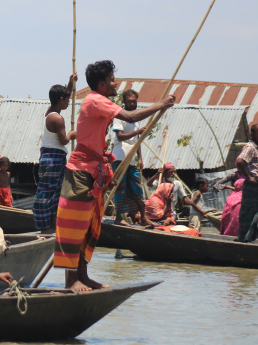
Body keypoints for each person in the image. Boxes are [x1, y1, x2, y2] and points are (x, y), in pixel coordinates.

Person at [55, 60, 174, 291]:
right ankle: (71, 281)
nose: (115, 82)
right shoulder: (96, 100)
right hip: (81, 171)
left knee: (90, 226)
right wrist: (162, 104)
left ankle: (82, 275)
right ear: (101, 84)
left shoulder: (100, 100)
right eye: (111, 79)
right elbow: (130, 117)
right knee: (75, 225)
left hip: (94, 170)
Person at [32, 74, 78, 233]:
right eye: (67, 99)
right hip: (53, 158)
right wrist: (73, 134)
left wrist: (70, 84)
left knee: (56, 193)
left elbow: (64, 95)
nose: (69, 101)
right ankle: (45, 227)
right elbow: (64, 140)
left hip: (51, 157)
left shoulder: (49, 111)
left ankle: (52, 226)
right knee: (48, 193)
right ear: (60, 99)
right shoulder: (57, 118)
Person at [111, 89, 150, 225]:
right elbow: (120, 136)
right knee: (120, 188)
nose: (132, 103)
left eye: (134, 101)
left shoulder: (136, 119)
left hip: (132, 157)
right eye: (129, 101)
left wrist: (140, 158)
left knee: (137, 188)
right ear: (124, 102)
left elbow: (137, 141)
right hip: (120, 156)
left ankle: (143, 218)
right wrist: (138, 131)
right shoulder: (119, 116)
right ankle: (118, 217)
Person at [236, 123, 258, 242]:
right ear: (253, 134)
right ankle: (244, 240)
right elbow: (240, 161)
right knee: (248, 213)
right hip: (252, 186)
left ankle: (251, 238)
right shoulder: (250, 147)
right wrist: (248, 177)